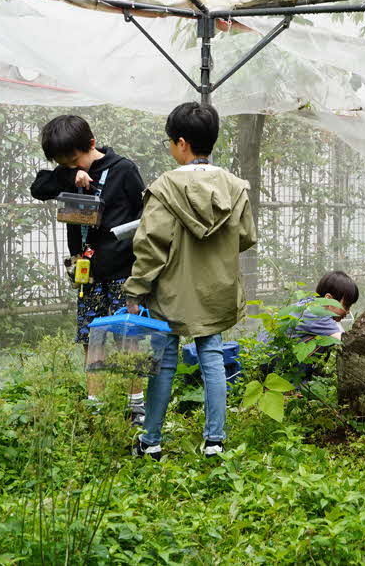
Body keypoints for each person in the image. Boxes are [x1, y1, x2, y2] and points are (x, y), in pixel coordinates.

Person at [124, 102, 256, 461]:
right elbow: (245, 236)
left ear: (181, 143)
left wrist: (136, 289)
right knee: (211, 357)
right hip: (218, 289)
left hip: (172, 293)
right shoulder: (234, 187)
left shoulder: (164, 188)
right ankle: (215, 441)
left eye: (170, 141)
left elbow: (151, 246)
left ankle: (150, 441)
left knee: (164, 361)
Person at [29, 114, 146, 420]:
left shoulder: (123, 170)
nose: (70, 166)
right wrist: (71, 176)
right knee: (91, 336)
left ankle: (136, 403)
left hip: (123, 273)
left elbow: (144, 213)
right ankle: (94, 403)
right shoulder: (67, 171)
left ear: (91, 144)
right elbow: (38, 187)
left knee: (128, 336)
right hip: (87, 274)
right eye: (62, 163)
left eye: (74, 161)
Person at [260, 271, 359, 386]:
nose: (348, 311)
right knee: (325, 341)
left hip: (264, 360)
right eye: (346, 305)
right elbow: (345, 341)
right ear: (328, 299)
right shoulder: (317, 314)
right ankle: (295, 385)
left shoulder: (309, 305)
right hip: (270, 366)